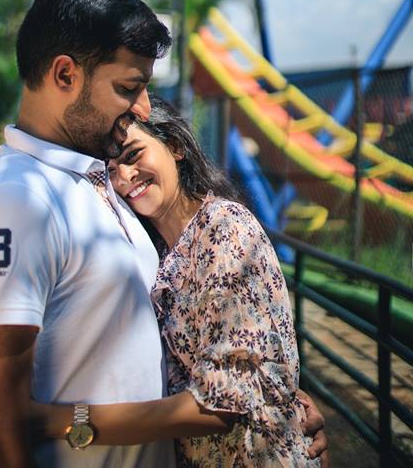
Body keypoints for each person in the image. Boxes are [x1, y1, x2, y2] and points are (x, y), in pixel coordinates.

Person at [0, 0, 327, 468]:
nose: (145, 109)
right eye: (129, 88)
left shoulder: (100, 181)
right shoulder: (17, 200)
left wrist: (274, 400)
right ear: (65, 75)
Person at [33, 97, 323, 466]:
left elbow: (220, 406)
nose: (124, 179)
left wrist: (66, 419)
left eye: (134, 155)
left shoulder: (224, 231)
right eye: (111, 170)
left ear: (176, 146)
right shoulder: (158, 250)